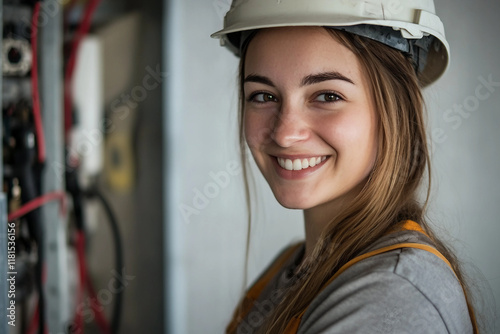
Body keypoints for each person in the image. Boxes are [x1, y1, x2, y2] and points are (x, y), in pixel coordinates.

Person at [211, 0, 478, 333]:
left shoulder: (388, 297)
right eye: (263, 96)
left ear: (396, 112)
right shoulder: (293, 266)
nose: (285, 133)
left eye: (327, 96)